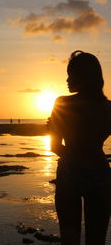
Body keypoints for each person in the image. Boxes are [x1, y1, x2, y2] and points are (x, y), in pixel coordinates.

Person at [50, 51, 111, 245]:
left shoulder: (62, 103)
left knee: (69, 239)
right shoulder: (108, 107)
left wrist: (74, 155)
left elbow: (55, 146)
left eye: (71, 74)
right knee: (96, 240)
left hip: (69, 172)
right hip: (101, 173)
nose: (67, 79)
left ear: (85, 76)